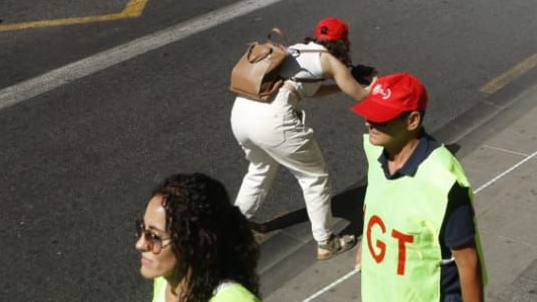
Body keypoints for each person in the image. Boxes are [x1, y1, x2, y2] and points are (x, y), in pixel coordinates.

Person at [230, 17, 370, 258]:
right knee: (314, 177)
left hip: (242, 111)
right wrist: (375, 82)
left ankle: (233, 224)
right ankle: (326, 242)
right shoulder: (329, 60)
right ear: (343, 43)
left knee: (260, 167)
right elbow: (360, 95)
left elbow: (304, 89)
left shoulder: (297, 49)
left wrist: (338, 85)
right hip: (273, 119)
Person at [352, 72, 485, 302]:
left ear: (413, 120)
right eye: (369, 114)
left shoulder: (443, 182)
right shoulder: (377, 153)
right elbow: (378, 204)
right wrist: (366, 242)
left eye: (381, 118)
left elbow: (467, 261)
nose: (369, 123)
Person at [137, 172, 261, 302]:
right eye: (141, 228)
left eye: (155, 236)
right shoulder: (164, 280)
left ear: (194, 243)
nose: (140, 244)